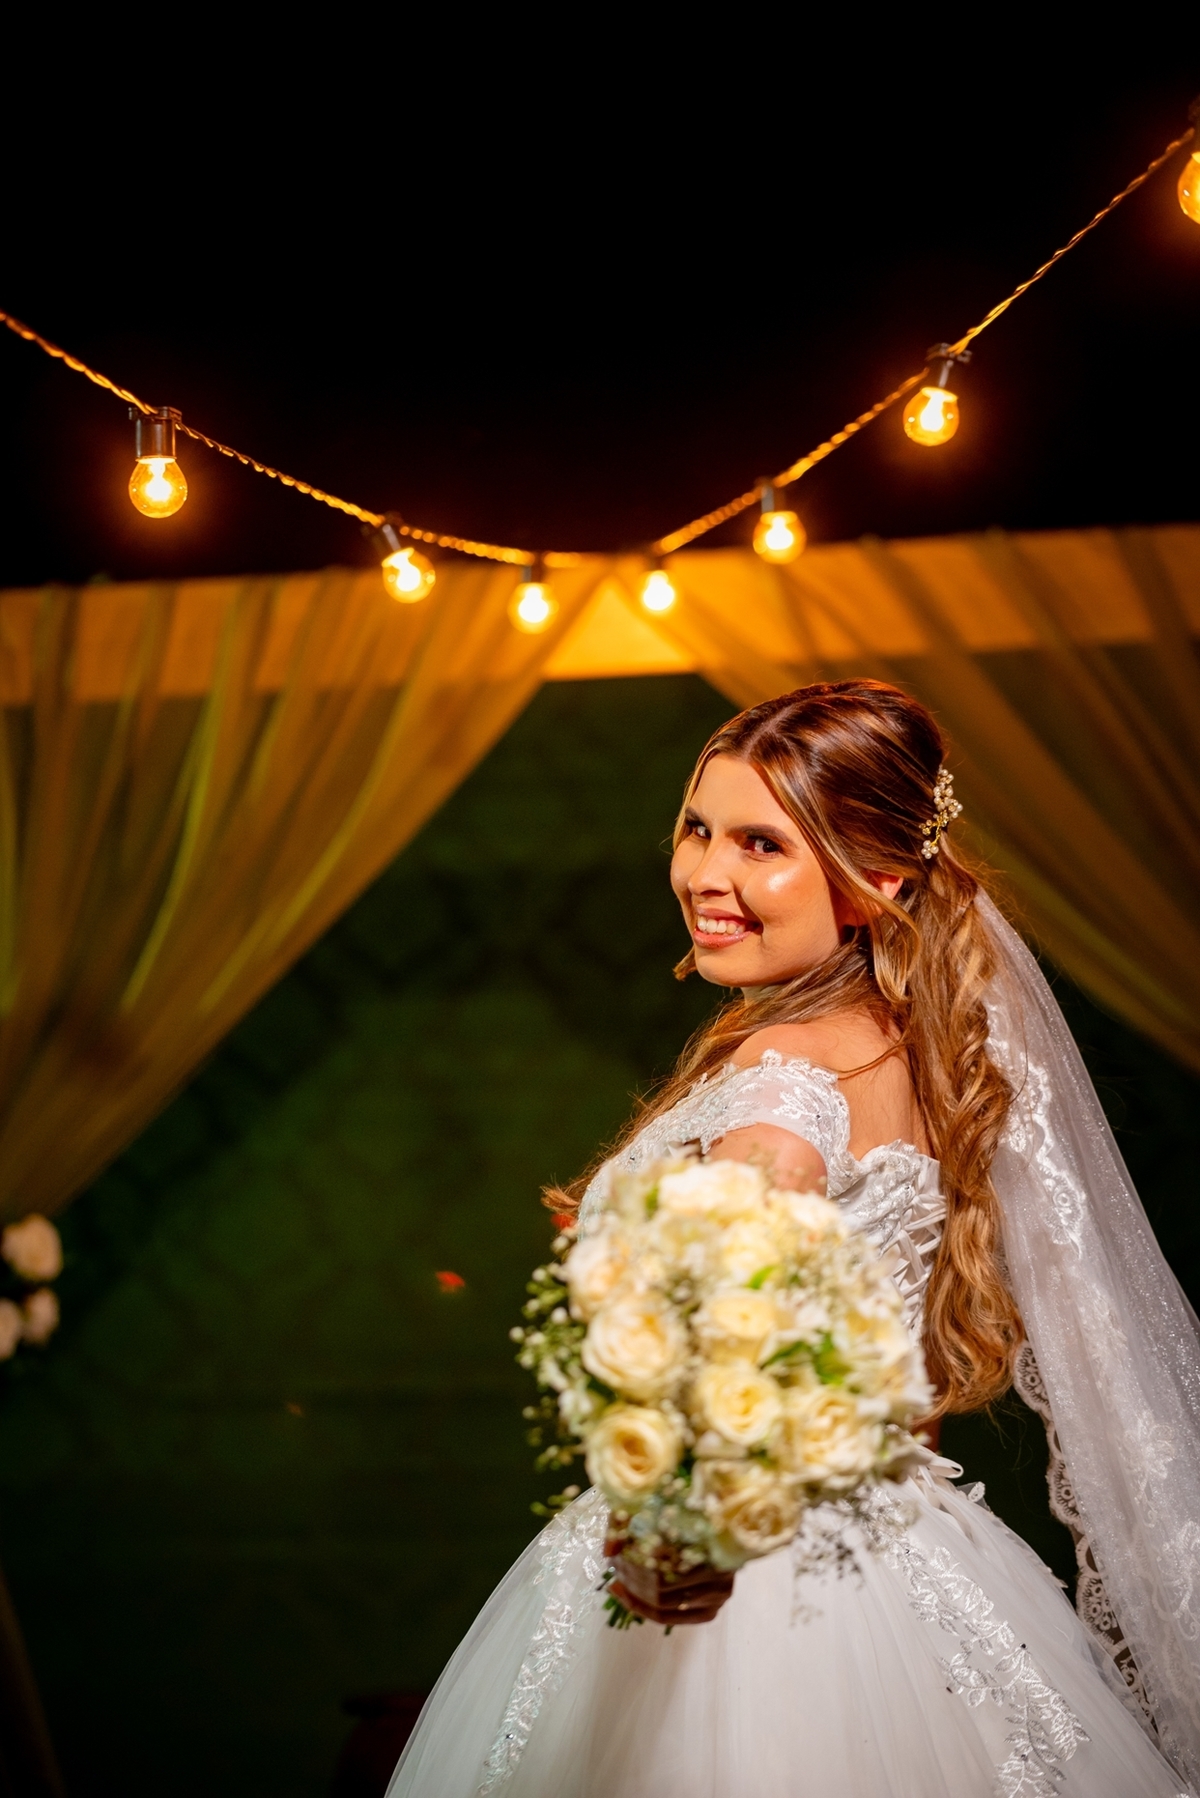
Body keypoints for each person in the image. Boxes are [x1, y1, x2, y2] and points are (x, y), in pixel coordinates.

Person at [389, 681, 1200, 1797]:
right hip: (897, 1560)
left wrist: (673, 1518)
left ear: (876, 880)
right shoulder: (896, 1049)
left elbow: (734, 1313)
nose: (705, 874)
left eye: (762, 843)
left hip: (733, 1584)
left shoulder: (781, 1084)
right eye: (697, 826)